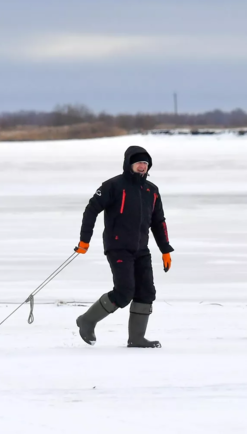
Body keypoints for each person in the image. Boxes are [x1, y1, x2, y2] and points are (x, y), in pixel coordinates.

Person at [74, 146, 173, 348]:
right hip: (118, 246)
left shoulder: (152, 191)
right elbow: (91, 210)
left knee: (146, 292)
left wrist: (165, 249)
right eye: (138, 163)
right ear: (129, 163)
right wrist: (85, 240)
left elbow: (158, 221)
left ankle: (136, 338)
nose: (142, 166)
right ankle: (87, 320)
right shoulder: (113, 186)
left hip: (141, 249)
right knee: (124, 291)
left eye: (145, 164)